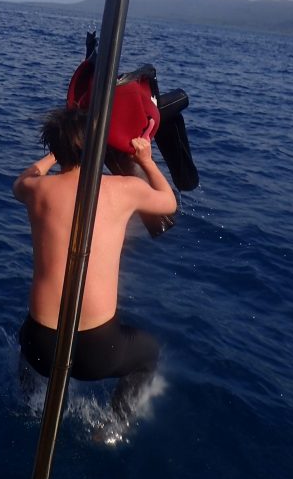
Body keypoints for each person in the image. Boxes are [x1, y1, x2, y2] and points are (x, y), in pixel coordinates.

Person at [14, 106, 177, 424]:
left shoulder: (36, 190)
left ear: (56, 147)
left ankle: (32, 404)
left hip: (39, 345)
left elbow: (23, 178)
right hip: (97, 350)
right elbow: (168, 202)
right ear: (98, 147)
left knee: (28, 351)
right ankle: (113, 426)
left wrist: (54, 154)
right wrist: (145, 161)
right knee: (148, 354)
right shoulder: (123, 190)